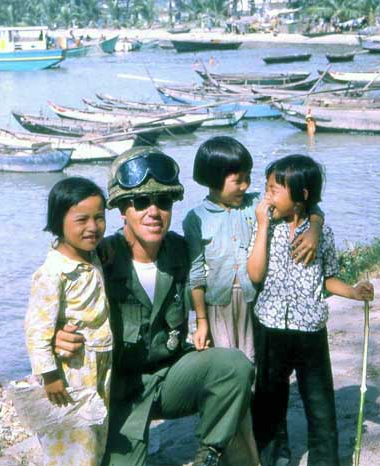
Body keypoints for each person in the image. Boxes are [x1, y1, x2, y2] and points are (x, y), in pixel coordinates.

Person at [55, 148, 254, 466]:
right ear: (121, 209)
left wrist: (310, 219)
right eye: (141, 202)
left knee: (234, 366)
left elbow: (240, 247)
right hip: (120, 392)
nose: (154, 212)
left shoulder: (181, 251)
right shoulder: (98, 260)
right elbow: (50, 300)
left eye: (163, 202)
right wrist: (57, 338)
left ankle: (209, 454)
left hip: (172, 377)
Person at [183, 137, 324, 465]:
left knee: (262, 377)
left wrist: (315, 227)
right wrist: (201, 321)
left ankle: (274, 442)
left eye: (248, 177)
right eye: (239, 179)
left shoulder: (257, 206)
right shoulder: (195, 218)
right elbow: (195, 274)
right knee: (223, 379)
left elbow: (306, 204)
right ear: (214, 179)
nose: (247, 184)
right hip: (217, 309)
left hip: (255, 305)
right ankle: (223, 446)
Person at [247, 155, 374, 466]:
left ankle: (324, 459)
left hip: (311, 331)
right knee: (268, 397)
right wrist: (263, 226)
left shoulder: (322, 235)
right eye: (267, 188)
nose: (268, 196)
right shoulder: (265, 227)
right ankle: (274, 452)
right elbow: (255, 275)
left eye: (275, 190)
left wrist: (354, 292)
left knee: (319, 401)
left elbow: (327, 278)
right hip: (270, 326)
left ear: (302, 196)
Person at [24, 177, 112, 466]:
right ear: (58, 222)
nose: (93, 227)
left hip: (101, 362)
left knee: (97, 430)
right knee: (74, 437)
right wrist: (48, 375)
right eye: (82, 219)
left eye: (99, 218)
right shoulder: (52, 273)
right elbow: (37, 329)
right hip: (73, 369)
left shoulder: (93, 255)